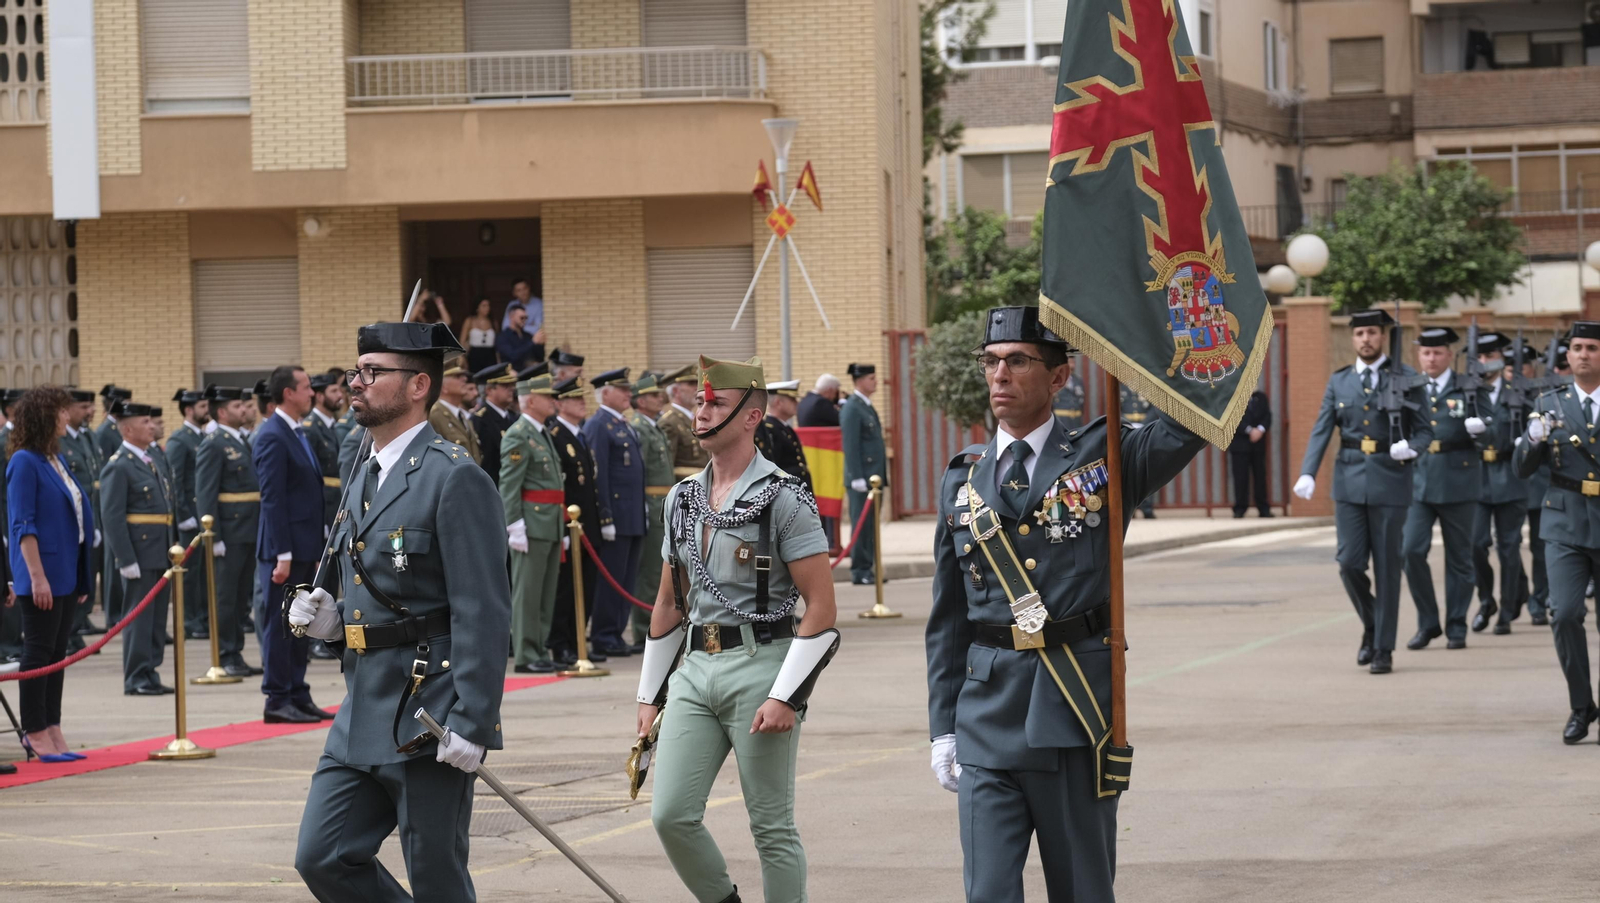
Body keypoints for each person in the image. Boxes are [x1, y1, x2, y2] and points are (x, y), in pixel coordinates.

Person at [926, 307, 1206, 903]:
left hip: (1073, 710)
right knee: (987, 894)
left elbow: (1190, 422)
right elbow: (948, 620)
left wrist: (1159, 332)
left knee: (1082, 890)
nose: (1000, 375)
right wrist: (942, 727)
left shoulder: (1106, 456)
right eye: (991, 362)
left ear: (1058, 378)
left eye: (1018, 361)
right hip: (985, 718)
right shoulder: (962, 479)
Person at [289, 321, 511, 902]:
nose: (355, 383)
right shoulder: (363, 474)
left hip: (428, 706)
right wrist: (334, 623)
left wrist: (475, 718)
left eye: (372, 372)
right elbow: (372, 589)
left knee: (435, 874)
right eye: (355, 372)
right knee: (324, 856)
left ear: (418, 385)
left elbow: (482, 610)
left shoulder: (454, 477)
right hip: (362, 702)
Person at [637, 354, 839, 903]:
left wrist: (786, 696)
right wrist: (648, 695)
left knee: (771, 828)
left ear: (751, 417)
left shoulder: (785, 497)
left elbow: (821, 610)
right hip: (695, 672)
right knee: (671, 815)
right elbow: (667, 604)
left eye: (716, 403)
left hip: (762, 668)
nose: (701, 413)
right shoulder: (682, 499)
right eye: (700, 402)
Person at [1295, 308, 1431, 674]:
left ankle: (1383, 648)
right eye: (1360, 334)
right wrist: (1308, 471)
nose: (1366, 339)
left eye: (1372, 332)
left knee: (1388, 568)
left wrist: (1412, 448)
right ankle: (1373, 624)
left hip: (1390, 480)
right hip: (1350, 481)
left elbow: (1425, 430)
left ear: (1382, 337)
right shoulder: (1340, 382)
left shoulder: (1407, 378)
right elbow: (1323, 428)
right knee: (1349, 563)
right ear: (1353, 339)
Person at [1515, 323, 1600, 743]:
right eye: (1577, 348)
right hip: (1564, 521)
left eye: (1592, 348)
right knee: (1564, 613)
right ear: (1567, 356)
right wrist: (1532, 441)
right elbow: (1523, 468)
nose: (1583, 354)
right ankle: (1581, 706)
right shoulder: (1548, 403)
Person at [9, 386, 94, 761]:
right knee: (38, 653)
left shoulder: (53, 459)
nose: (67, 417)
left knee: (57, 654)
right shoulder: (25, 461)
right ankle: (35, 730)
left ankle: (53, 725)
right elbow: (22, 525)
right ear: (46, 416)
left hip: (64, 572)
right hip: (41, 574)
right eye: (61, 411)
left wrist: (80, 574)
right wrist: (36, 576)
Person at [1398, 327, 1488, 652]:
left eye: (1437, 352)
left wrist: (1480, 431)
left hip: (1458, 479)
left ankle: (1456, 625)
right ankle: (1428, 622)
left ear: (1449, 355)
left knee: (1460, 558)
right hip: (1419, 479)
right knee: (1410, 551)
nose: (1431, 358)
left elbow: (1493, 431)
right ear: (1418, 355)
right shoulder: (1410, 388)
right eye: (1425, 352)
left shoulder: (1469, 387)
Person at [254, 365, 332, 725]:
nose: (311, 393)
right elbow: (273, 499)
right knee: (280, 625)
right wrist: (282, 553)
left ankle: (298, 692)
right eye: (305, 387)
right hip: (283, 551)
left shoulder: (296, 432)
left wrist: (314, 550)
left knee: (301, 624)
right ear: (287, 393)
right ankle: (277, 697)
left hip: (304, 549)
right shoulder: (272, 435)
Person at [100, 402, 176, 696]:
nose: (152, 426)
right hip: (139, 553)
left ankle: (150, 670)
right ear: (128, 429)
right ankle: (135, 676)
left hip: (160, 550)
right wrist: (125, 558)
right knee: (139, 616)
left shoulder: (149, 459)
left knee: (156, 618)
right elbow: (112, 516)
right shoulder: (119, 465)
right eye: (145, 422)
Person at [194, 385, 262, 679]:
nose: (244, 410)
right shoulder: (214, 443)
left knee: (239, 597)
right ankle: (225, 653)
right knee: (225, 597)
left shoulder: (240, 440)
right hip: (229, 533)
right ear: (222, 412)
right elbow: (206, 494)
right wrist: (215, 536)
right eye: (237, 406)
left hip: (248, 530)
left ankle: (236, 652)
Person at [501, 371, 564, 674]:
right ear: (532, 400)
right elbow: (510, 484)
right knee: (527, 593)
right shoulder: (518, 433)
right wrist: (514, 525)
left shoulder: (540, 433)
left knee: (545, 592)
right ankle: (526, 653)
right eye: (548, 396)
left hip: (549, 522)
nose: (554, 401)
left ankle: (539, 647)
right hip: (531, 523)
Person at [583, 368, 646, 658]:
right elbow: (599, 475)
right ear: (605, 393)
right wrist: (605, 516)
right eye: (622, 389)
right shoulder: (599, 425)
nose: (628, 394)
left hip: (631, 514)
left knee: (626, 578)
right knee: (611, 580)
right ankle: (604, 635)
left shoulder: (623, 424)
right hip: (615, 517)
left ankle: (617, 633)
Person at [1470, 333, 1529, 635]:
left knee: (1508, 547)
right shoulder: (1468, 393)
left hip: (1509, 476)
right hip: (1476, 477)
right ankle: (1485, 600)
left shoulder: (1517, 392)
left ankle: (1506, 611)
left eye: (1490, 355)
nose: (1484, 362)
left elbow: (1535, 422)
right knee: (1475, 544)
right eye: (1479, 356)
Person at [546, 376, 602, 667]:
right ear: (559, 403)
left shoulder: (578, 435)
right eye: (575, 399)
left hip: (587, 525)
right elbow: (561, 486)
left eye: (582, 398)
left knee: (587, 586)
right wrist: (563, 525)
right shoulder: (556, 435)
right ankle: (561, 644)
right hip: (569, 522)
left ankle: (579, 640)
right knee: (567, 588)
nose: (582, 403)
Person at [1523, 341, 1571, 628]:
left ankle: (1546, 599)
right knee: (1523, 548)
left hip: (1552, 482)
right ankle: (1527, 597)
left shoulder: (1557, 396)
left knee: (1545, 550)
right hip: (1526, 481)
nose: (1557, 371)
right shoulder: (1534, 394)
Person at [626, 373, 674, 650]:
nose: (661, 398)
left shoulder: (652, 426)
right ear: (641, 400)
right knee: (648, 572)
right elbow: (639, 472)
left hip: (661, 502)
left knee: (660, 568)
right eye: (655, 395)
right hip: (650, 502)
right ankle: (644, 627)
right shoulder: (638, 428)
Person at [61, 389, 104, 643]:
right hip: (71, 519)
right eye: (84, 407)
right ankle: (70, 633)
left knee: (86, 573)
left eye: (91, 406)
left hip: (89, 516)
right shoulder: (61, 440)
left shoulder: (87, 437)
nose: (90, 412)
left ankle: (77, 627)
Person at [168, 389, 210, 640]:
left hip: (202, 516)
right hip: (189, 517)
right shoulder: (179, 440)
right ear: (188, 410)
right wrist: (182, 514)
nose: (207, 409)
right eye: (202, 406)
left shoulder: (202, 436)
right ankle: (189, 620)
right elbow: (175, 481)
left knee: (204, 571)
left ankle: (203, 616)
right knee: (190, 572)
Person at [840, 362, 886, 586]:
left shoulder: (865, 406)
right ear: (859, 381)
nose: (875, 381)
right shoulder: (852, 407)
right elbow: (850, 445)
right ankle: (860, 570)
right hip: (863, 478)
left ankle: (869, 568)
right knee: (861, 524)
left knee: (871, 526)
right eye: (871, 378)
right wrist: (856, 476)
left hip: (873, 478)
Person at [756, 380, 813, 491]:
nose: (797, 403)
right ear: (778, 403)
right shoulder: (769, 430)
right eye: (792, 399)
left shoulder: (785, 428)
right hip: (786, 489)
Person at [305, 373, 344, 529]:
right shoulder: (310, 428)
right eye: (334, 391)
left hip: (337, 503)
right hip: (324, 507)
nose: (340, 395)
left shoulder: (332, 425)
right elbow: (309, 477)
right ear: (320, 397)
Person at [472, 364, 519, 486]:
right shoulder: (480, 420)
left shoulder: (514, 418)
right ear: (489, 390)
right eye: (505, 385)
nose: (512, 389)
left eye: (512, 385)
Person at [428, 358, 482, 465]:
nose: (464, 379)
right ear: (443, 386)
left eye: (463, 375)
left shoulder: (461, 415)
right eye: (457, 376)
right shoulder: (434, 415)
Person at [1228, 389, 1273, 518]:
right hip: (1240, 445)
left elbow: (1267, 416)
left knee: (1260, 477)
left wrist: (1260, 430)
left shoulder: (1261, 397)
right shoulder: (1234, 396)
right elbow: (1232, 418)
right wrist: (1248, 430)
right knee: (1240, 478)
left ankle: (1263, 508)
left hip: (1258, 444)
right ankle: (1240, 508)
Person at [659, 364, 709, 479]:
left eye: (697, 383)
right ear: (676, 391)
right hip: (685, 488)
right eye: (691, 384)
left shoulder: (697, 418)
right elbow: (667, 465)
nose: (697, 388)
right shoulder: (669, 422)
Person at [1121, 387, 1158, 517]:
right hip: (1127, 431)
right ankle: (1130, 509)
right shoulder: (1120, 388)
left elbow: (1155, 408)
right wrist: (1126, 424)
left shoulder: (1147, 385)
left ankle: (1147, 508)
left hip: (1146, 430)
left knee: (1148, 468)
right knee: (1127, 469)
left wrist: (1144, 425)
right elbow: (1115, 408)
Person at [94, 385, 131, 463]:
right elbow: (104, 463)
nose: (129, 409)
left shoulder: (120, 427)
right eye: (126, 404)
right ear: (112, 405)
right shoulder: (105, 432)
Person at [496, 306, 537, 372]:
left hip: (528, 373)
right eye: (521, 317)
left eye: (526, 318)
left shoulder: (527, 335)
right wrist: (532, 342)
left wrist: (539, 343)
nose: (524, 320)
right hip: (511, 374)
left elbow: (535, 355)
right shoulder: (503, 336)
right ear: (511, 317)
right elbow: (512, 355)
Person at [464, 299, 498, 373]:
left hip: (490, 354)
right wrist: (463, 357)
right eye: (484, 306)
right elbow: (462, 340)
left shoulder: (493, 321)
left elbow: (497, 342)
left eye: (488, 305)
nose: (487, 308)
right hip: (474, 354)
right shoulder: (470, 320)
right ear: (477, 308)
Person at [1051, 359, 1086, 430]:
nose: (1072, 365)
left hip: (1076, 420)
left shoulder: (1078, 380)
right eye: (1070, 362)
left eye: (1073, 362)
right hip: (1061, 419)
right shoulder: (1056, 379)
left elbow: (1082, 400)